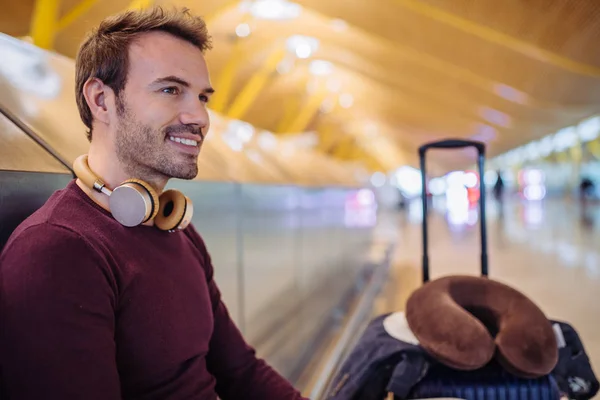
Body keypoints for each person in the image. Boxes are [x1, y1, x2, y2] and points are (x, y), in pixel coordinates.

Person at [0, 6, 308, 400]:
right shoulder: (56, 251)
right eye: (170, 89)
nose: (199, 117)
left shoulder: (175, 229)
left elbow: (241, 371)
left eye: (202, 97)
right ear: (101, 100)